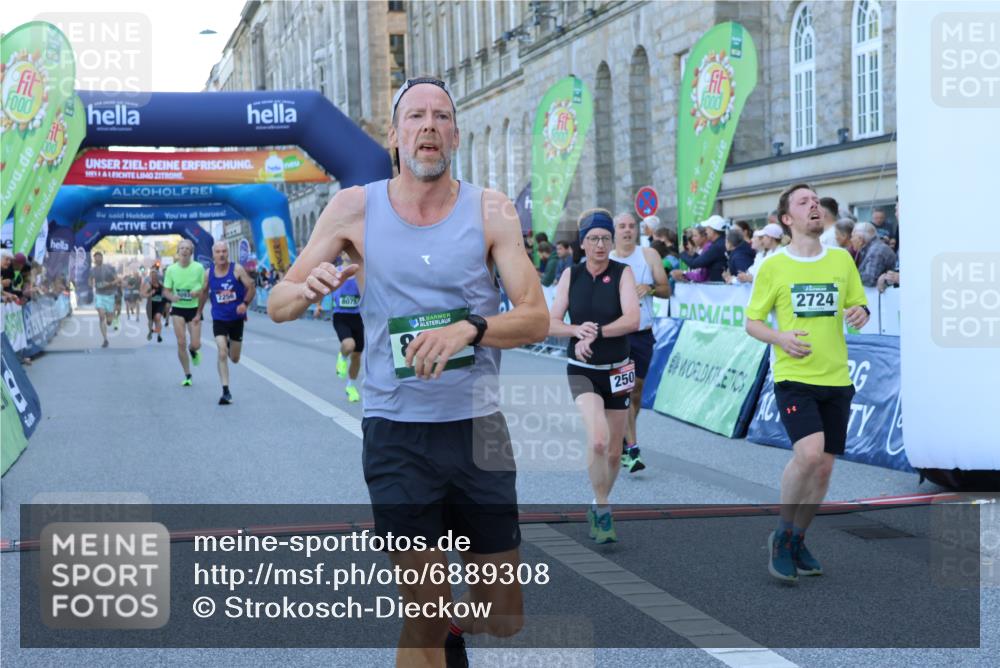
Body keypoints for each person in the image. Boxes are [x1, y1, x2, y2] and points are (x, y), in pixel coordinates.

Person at [266, 76, 548, 667]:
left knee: (505, 615)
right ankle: (440, 635)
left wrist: (470, 328)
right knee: (422, 612)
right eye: (415, 117)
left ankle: (451, 636)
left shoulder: (490, 210)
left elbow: (535, 320)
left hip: (478, 429)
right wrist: (306, 288)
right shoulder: (353, 207)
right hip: (397, 434)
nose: (428, 126)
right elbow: (278, 304)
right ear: (394, 136)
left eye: (441, 116)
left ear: (455, 134)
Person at [745, 183, 869, 583]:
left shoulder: (841, 261)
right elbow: (753, 322)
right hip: (794, 376)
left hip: (837, 376)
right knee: (810, 454)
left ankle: (799, 538)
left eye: (816, 201)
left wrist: (860, 312)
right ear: (787, 219)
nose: (813, 205)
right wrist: (780, 338)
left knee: (824, 470)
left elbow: (858, 302)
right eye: (803, 202)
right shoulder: (773, 266)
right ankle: (781, 535)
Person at [549, 209, 640, 542]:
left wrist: (596, 333)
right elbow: (550, 322)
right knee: (598, 439)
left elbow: (632, 319)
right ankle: (602, 508)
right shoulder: (570, 275)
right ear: (583, 243)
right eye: (593, 239)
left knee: (615, 451)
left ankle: (598, 499)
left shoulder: (623, 273)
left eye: (605, 238)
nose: (600, 245)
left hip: (617, 371)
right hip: (583, 371)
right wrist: (576, 330)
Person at [609, 212, 669, 474]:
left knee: (635, 392)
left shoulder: (649, 256)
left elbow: (667, 289)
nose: (627, 230)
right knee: (622, 390)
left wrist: (650, 288)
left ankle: (624, 436)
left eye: (631, 226)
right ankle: (631, 447)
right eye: (622, 226)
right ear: (614, 230)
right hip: (617, 335)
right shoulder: (607, 258)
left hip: (643, 333)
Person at [201, 241, 255, 405]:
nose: (222, 254)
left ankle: (231, 346)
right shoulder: (208, 273)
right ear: (213, 255)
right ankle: (225, 391)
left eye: (224, 251)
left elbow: (251, 286)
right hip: (219, 318)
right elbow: (203, 293)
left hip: (236, 319)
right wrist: (198, 313)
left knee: (235, 358)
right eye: (218, 252)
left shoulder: (237, 269)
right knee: (222, 352)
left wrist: (244, 304)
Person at [163, 240, 207, 386]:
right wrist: (172, 297)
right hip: (178, 308)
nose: (184, 250)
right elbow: (166, 291)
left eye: (188, 248)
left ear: (191, 252)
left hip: (194, 308)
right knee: (181, 342)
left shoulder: (199, 268)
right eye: (182, 248)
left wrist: (197, 292)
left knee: (196, 344)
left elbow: (205, 289)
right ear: (178, 251)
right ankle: (187, 374)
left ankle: (193, 351)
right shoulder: (171, 269)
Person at [331, 254, 364, 402]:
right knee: (349, 345)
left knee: (357, 355)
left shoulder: (361, 273)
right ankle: (342, 356)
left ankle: (350, 386)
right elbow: (323, 289)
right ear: (343, 254)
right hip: (341, 316)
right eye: (347, 251)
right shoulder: (335, 272)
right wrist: (318, 305)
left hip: (358, 317)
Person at [676, 214, 727, 282]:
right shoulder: (720, 243)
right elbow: (704, 261)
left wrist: (682, 253)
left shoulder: (716, 246)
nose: (706, 231)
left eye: (707, 229)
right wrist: (693, 254)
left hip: (719, 286)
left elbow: (694, 264)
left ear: (713, 230)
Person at [851, 222, 897, 287]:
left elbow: (869, 280)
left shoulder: (875, 251)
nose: (851, 240)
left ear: (860, 239)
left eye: (852, 237)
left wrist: (850, 276)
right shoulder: (870, 247)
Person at [89, 251, 118, 348]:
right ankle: (105, 339)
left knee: (109, 320)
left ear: (102, 258)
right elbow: (90, 279)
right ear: (94, 260)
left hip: (109, 295)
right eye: (95, 258)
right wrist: (90, 284)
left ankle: (110, 319)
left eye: (99, 257)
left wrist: (109, 284)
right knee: (101, 316)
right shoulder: (92, 270)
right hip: (99, 295)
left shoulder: (109, 268)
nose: (97, 259)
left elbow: (117, 279)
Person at [141, 267, 166, 342]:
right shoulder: (148, 285)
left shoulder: (161, 285)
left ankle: (159, 335)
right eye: (152, 276)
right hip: (150, 305)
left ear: (158, 276)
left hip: (159, 304)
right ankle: (150, 332)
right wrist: (150, 294)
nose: (154, 277)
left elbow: (165, 294)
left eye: (155, 275)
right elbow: (143, 295)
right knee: (150, 320)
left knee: (158, 318)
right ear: (150, 277)